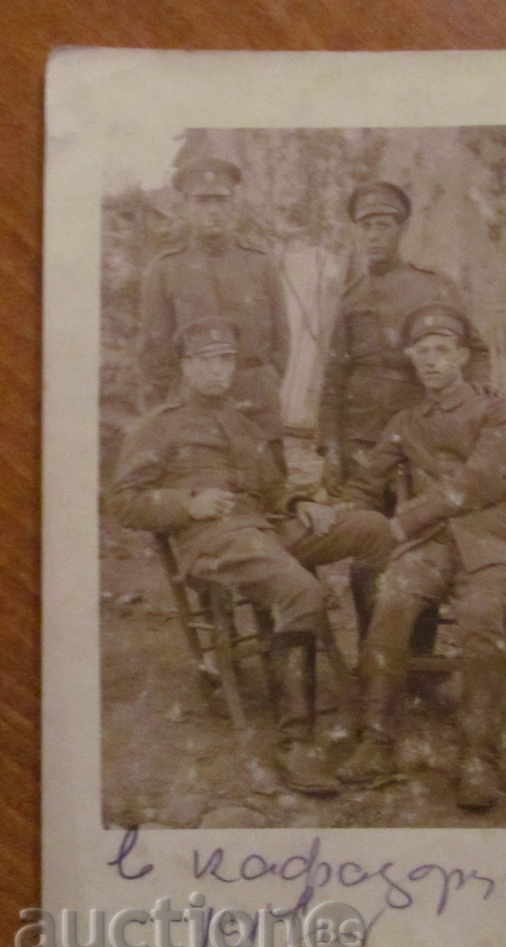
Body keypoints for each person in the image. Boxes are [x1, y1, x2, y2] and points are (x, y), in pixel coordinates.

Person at [111, 316, 394, 796]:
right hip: (212, 542)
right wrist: (187, 503)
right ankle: (295, 740)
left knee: (375, 530)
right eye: (208, 361)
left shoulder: (241, 421)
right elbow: (121, 502)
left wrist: (299, 503)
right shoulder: (158, 427)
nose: (220, 371)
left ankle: (378, 675)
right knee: (302, 589)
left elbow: (271, 487)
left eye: (226, 361)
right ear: (186, 365)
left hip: (264, 530)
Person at [336, 303, 506, 810]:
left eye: (441, 351)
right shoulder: (406, 420)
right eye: (422, 353)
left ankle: (479, 755)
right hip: (429, 546)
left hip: (491, 540)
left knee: (482, 614)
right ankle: (376, 738)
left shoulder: (494, 409)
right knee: (393, 597)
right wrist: (341, 512)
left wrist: (406, 519)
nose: (431, 362)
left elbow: (480, 480)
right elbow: (368, 480)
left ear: (463, 357)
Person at [317, 182, 473, 643]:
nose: (374, 236)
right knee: (366, 544)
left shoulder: (434, 286)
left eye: (384, 225)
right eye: (366, 226)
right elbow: (333, 376)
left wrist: (466, 417)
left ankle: (416, 659)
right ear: (356, 232)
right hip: (364, 444)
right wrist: (329, 446)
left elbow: (474, 350)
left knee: (419, 540)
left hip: (421, 441)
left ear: (402, 229)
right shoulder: (350, 296)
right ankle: (374, 655)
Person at [140, 156, 290, 473]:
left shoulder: (260, 263)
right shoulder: (165, 269)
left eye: (221, 201)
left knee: (271, 494)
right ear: (186, 207)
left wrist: (264, 381)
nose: (213, 210)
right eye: (202, 201)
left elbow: (281, 343)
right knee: (207, 494)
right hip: (195, 405)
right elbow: (157, 352)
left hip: (257, 404)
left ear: (233, 205)